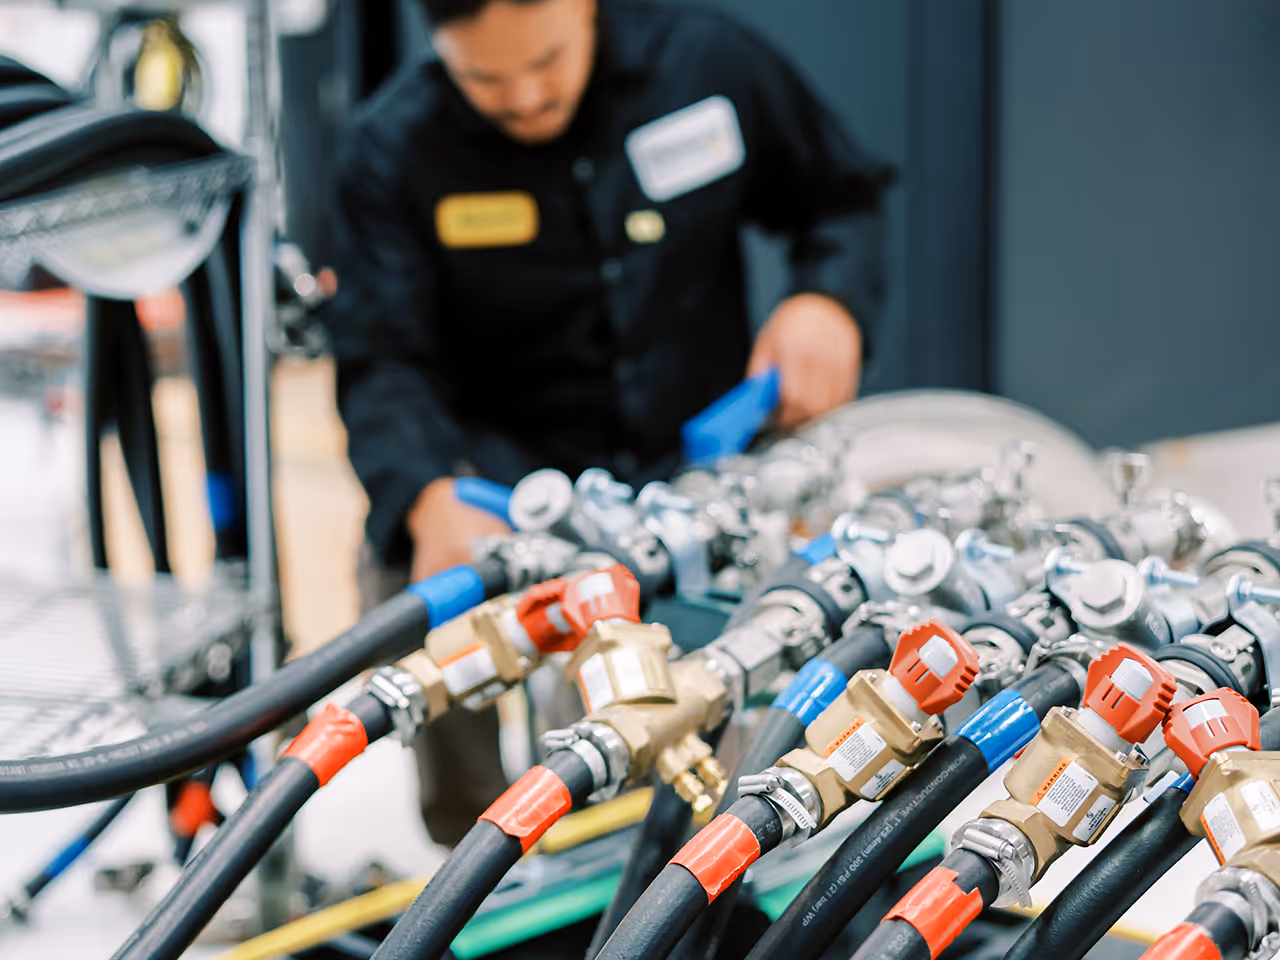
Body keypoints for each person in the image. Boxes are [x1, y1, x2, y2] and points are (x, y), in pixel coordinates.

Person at [326, 0, 891, 845]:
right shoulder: (392, 150)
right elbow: (380, 360)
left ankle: (772, 824)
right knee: (407, 571)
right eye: (486, 79)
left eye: (546, 62)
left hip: (704, 455)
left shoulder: (706, 66)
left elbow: (842, 197)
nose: (525, 98)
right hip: (515, 480)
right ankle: (480, 856)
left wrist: (828, 301)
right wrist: (428, 492)